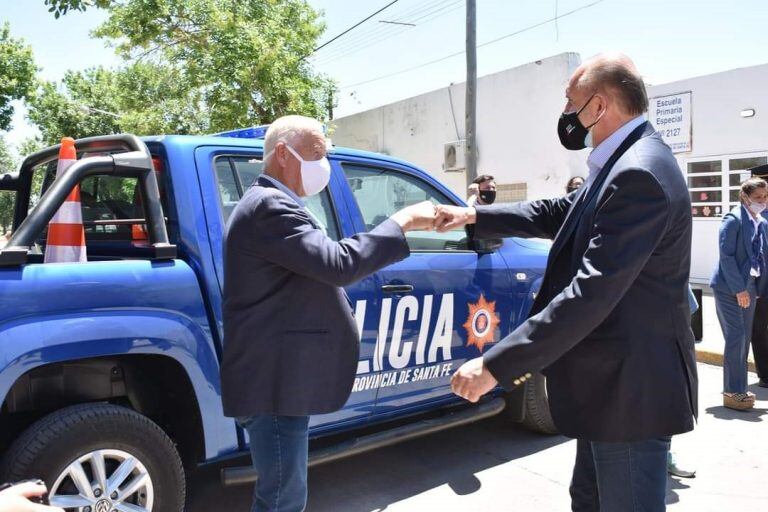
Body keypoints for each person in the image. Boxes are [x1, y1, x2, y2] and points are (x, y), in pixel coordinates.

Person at [435, 53, 697, 511]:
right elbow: (561, 212)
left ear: (598, 106)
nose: (565, 113)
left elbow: (589, 294)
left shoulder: (638, 171)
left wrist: (495, 364)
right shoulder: (623, 161)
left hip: (630, 396)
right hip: (608, 391)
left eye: (570, 101)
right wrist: (474, 214)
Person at [221, 115, 435, 512]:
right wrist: (402, 221)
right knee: (282, 499)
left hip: (277, 379)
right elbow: (338, 263)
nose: (326, 166)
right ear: (283, 154)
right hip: (273, 383)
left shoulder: (272, 202)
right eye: (318, 154)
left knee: (281, 494)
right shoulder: (270, 206)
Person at [711, 177, 768, 410]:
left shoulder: (761, 222)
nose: (763, 201)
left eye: (765, 197)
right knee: (736, 338)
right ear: (745, 197)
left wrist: (756, 288)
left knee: (743, 341)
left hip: (750, 287)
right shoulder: (733, 219)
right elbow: (727, 256)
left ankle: (737, 390)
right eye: (758, 198)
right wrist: (739, 289)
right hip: (729, 288)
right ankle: (734, 391)